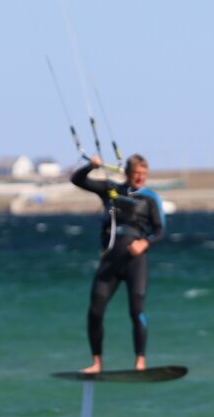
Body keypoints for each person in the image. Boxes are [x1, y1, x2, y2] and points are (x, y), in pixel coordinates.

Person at [70, 152, 165, 372]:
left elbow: (160, 231)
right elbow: (77, 180)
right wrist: (90, 166)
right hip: (110, 260)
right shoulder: (110, 190)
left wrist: (145, 243)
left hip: (135, 261)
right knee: (95, 310)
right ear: (127, 173)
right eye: (136, 173)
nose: (140, 178)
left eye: (144, 174)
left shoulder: (150, 199)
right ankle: (97, 362)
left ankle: (140, 361)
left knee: (136, 310)